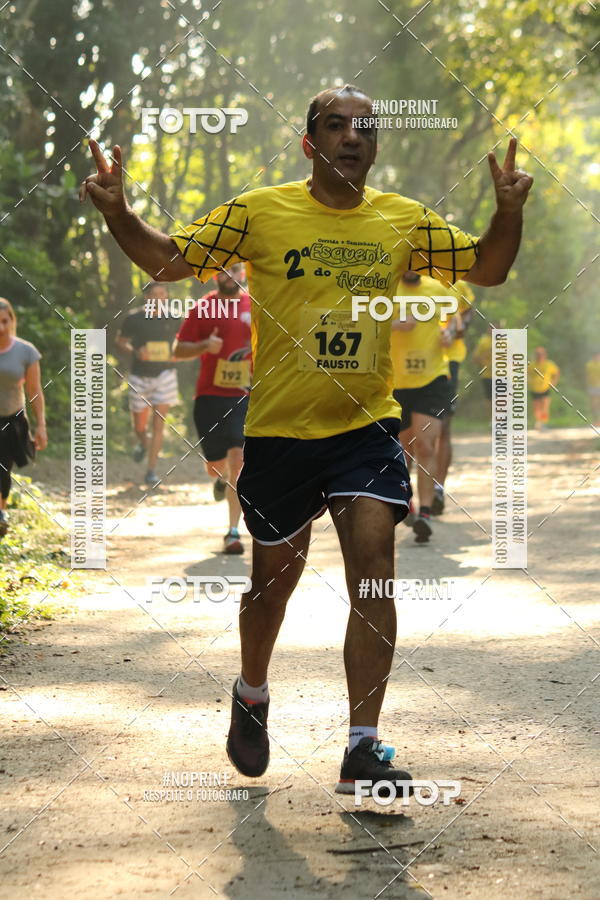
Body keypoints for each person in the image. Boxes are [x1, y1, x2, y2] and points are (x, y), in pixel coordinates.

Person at [80, 83, 533, 794]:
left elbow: (489, 267)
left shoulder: (403, 219)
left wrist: (508, 212)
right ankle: (253, 692)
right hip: (281, 432)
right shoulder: (261, 212)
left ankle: (362, 746)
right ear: (309, 141)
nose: (353, 136)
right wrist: (120, 213)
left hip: (367, 428)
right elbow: (171, 261)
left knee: (376, 566)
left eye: (366, 127)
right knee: (271, 588)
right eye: (336, 125)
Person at [173, 263, 252, 554]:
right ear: (214, 275)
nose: (228, 275)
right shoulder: (204, 307)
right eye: (222, 270)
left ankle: (233, 532)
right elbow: (178, 351)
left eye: (234, 268)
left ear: (243, 272)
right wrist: (205, 345)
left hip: (245, 395)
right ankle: (220, 479)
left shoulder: (255, 305)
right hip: (209, 397)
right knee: (217, 466)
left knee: (239, 460)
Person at [391, 271, 457, 543]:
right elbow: (365, 322)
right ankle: (409, 504)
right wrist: (395, 324)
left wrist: (449, 334)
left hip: (432, 378)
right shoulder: (386, 288)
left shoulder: (438, 289)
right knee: (404, 450)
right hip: (395, 381)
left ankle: (426, 512)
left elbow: (453, 321)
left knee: (426, 445)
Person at [116, 281, 180, 486]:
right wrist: (136, 352)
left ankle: (151, 470)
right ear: (147, 297)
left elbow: (182, 339)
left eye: (163, 294)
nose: (159, 298)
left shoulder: (175, 317)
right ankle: (143, 444)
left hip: (165, 375)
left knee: (158, 425)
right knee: (139, 426)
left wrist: (176, 353)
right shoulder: (134, 318)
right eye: (155, 295)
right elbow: (120, 342)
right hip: (139, 377)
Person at [0, 298, 47, 536]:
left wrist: (41, 425)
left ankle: (1, 512)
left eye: (4, 321)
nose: (0, 327)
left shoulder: (25, 351)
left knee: (3, 467)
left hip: (11, 419)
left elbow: (34, 390)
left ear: (11, 321)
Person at [432, 280, 476, 515]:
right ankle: (404, 490)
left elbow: (468, 311)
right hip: (409, 365)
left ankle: (438, 487)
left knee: (444, 426)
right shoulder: (408, 277)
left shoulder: (458, 283)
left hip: (450, 360)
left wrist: (456, 328)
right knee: (405, 430)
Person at [528, 346, 559, 429]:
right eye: (538, 354)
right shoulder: (532, 365)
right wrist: (528, 381)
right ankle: (538, 422)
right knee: (536, 407)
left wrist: (554, 382)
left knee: (545, 406)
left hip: (545, 388)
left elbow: (556, 373)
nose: (540, 356)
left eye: (542, 354)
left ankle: (544, 423)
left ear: (545, 355)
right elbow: (526, 373)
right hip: (535, 388)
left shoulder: (549, 364)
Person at [472, 323, 494, 411]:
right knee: (489, 398)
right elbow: (475, 359)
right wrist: (485, 356)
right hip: (487, 375)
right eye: (491, 328)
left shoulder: (506, 341)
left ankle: (502, 419)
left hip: (503, 375)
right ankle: (492, 420)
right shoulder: (483, 341)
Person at [585, 350, 600, 427]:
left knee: (598, 404)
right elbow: (588, 375)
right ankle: (596, 420)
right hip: (592, 386)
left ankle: (598, 421)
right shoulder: (589, 365)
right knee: (594, 404)